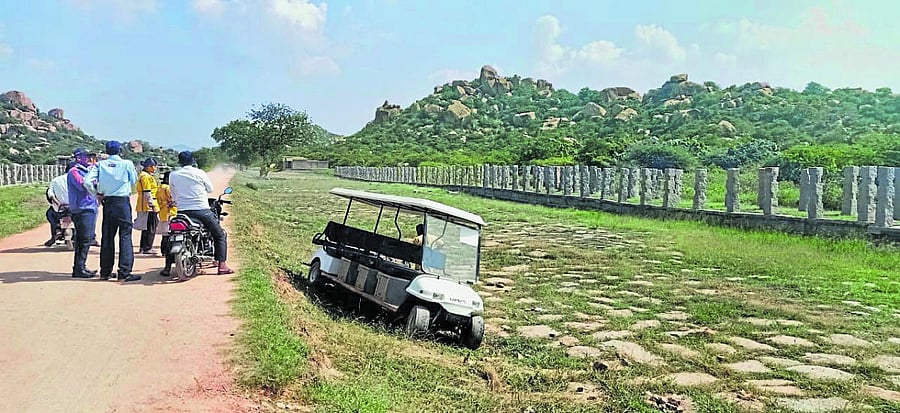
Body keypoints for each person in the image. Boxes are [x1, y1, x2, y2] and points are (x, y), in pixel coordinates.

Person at [169, 151, 233, 275]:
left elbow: (173, 193)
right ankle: (222, 266)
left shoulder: (173, 174)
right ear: (192, 161)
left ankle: (167, 266)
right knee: (220, 235)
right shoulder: (200, 173)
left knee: (171, 234)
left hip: (182, 212)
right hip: (201, 210)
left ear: (179, 162)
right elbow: (210, 189)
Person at [85, 141, 140, 282]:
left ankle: (105, 271)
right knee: (125, 235)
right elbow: (134, 180)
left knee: (108, 236)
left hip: (107, 201)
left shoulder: (100, 165)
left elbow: (87, 182)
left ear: (106, 151)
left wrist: (96, 193)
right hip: (122, 201)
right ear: (120, 151)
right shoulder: (127, 164)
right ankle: (124, 271)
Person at [67, 149, 99, 278]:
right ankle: (79, 268)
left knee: (86, 238)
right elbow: (83, 185)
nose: (90, 159)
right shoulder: (74, 171)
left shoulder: (88, 171)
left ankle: (81, 266)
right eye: (87, 156)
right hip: (82, 208)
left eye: (91, 157)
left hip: (90, 207)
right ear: (78, 158)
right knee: (84, 239)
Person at [44, 163, 73, 247]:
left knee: (50, 214)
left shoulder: (55, 180)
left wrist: (57, 203)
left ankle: (56, 232)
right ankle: (91, 238)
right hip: (75, 208)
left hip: (60, 208)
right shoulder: (79, 179)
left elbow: (50, 194)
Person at [136, 158, 160, 254]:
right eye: (154, 166)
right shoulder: (145, 177)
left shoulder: (145, 175)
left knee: (146, 227)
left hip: (145, 203)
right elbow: (147, 192)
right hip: (148, 204)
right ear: (149, 167)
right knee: (151, 227)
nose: (155, 168)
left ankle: (143, 247)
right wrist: (152, 205)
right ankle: (147, 247)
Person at [157, 171, 177, 276]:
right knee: (170, 235)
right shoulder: (168, 188)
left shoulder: (160, 187)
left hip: (163, 212)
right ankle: (166, 252)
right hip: (170, 212)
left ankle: (163, 251)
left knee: (164, 235)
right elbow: (172, 199)